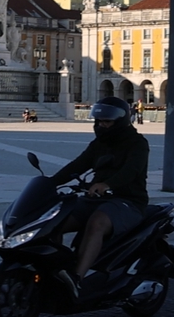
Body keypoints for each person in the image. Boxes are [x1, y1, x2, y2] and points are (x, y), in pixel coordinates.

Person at [48, 97, 150, 299]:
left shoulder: (138, 143)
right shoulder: (99, 143)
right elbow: (78, 164)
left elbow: (132, 171)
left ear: (120, 121)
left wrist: (107, 184)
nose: (101, 125)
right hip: (96, 198)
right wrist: (50, 182)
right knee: (55, 219)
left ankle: (76, 278)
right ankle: (55, 269)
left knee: (97, 223)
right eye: (99, 121)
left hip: (127, 200)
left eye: (106, 122)